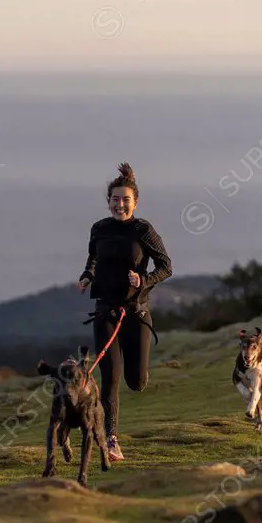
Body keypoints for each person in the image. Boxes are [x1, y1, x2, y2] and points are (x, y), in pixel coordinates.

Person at [77, 162, 172, 462]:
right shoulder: (99, 229)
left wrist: (143, 280)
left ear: (135, 202)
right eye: (115, 200)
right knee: (110, 377)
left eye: (125, 200)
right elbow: (93, 258)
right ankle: (112, 440)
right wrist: (87, 276)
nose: (120, 204)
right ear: (109, 201)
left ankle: (140, 372)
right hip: (105, 311)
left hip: (136, 313)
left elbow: (166, 267)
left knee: (136, 382)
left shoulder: (143, 230)